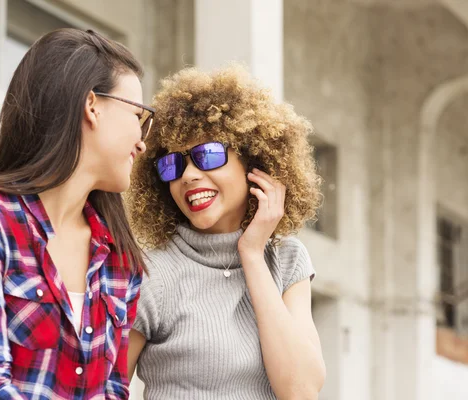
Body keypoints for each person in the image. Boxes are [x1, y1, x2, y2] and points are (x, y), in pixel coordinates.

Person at [0, 28, 154, 400]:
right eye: (138, 116)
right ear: (92, 105)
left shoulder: (120, 259)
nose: (142, 141)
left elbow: (113, 390)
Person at [126, 65, 326, 400]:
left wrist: (251, 254)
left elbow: (301, 391)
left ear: (253, 163)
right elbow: (103, 390)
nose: (188, 175)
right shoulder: (149, 272)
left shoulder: (287, 260)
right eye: (172, 164)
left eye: (207, 155)